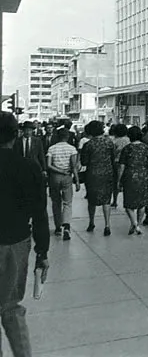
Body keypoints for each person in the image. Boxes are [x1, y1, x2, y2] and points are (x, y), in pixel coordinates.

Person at [0, 112, 49, 357]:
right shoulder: (28, 168)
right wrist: (43, 252)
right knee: (10, 306)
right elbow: (39, 213)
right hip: (17, 242)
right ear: (16, 134)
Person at [81, 120, 116, 236]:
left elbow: (84, 162)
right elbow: (113, 159)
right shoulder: (109, 143)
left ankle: (91, 222)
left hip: (92, 174)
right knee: (106, 200)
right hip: (107, 173)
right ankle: (107, 225)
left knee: (91, 200)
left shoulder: (88, 145)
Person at [118, 126, 148, 236]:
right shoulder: (146, 148)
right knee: (142, 203)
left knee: (129, 204)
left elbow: (121, 166)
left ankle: (134, 224)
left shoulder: (127, 149)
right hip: (144, 176)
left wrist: (119, 180)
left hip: (130, 176)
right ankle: (137, 224)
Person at [46, 128, 80, 240]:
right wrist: (77, 180)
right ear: (67, 137)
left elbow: (49, 165)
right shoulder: (72, 149)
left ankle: (57, 227)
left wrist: (59, 171)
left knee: (56, 203)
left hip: (54, 177)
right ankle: (66, 227)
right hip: (67, 178)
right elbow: (74, 166)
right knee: (67, 203)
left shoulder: (52, 148)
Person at [109, 123, 130, 208]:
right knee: (127, 183)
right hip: (128, 163)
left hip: (116, 163)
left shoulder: (114, 141)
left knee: (115, 183)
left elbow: (112, 153)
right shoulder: (128, 140)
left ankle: (115, 200)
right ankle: (127, 200)